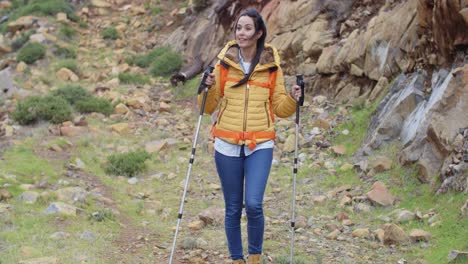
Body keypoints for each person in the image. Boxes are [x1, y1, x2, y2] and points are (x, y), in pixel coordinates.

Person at [198, 8, 302, 264]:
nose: (241, 33)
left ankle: (254, 258)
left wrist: (293, 99)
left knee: (254, 204)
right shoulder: (225, 63)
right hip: (226, 144)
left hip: (260, 144)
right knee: (233, 208)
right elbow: (208, 107)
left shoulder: (270, 65)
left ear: (258, 33)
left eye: (247, 28)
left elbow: (280, 108)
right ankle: (237, 259)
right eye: (238, 28)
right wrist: (207, 87)